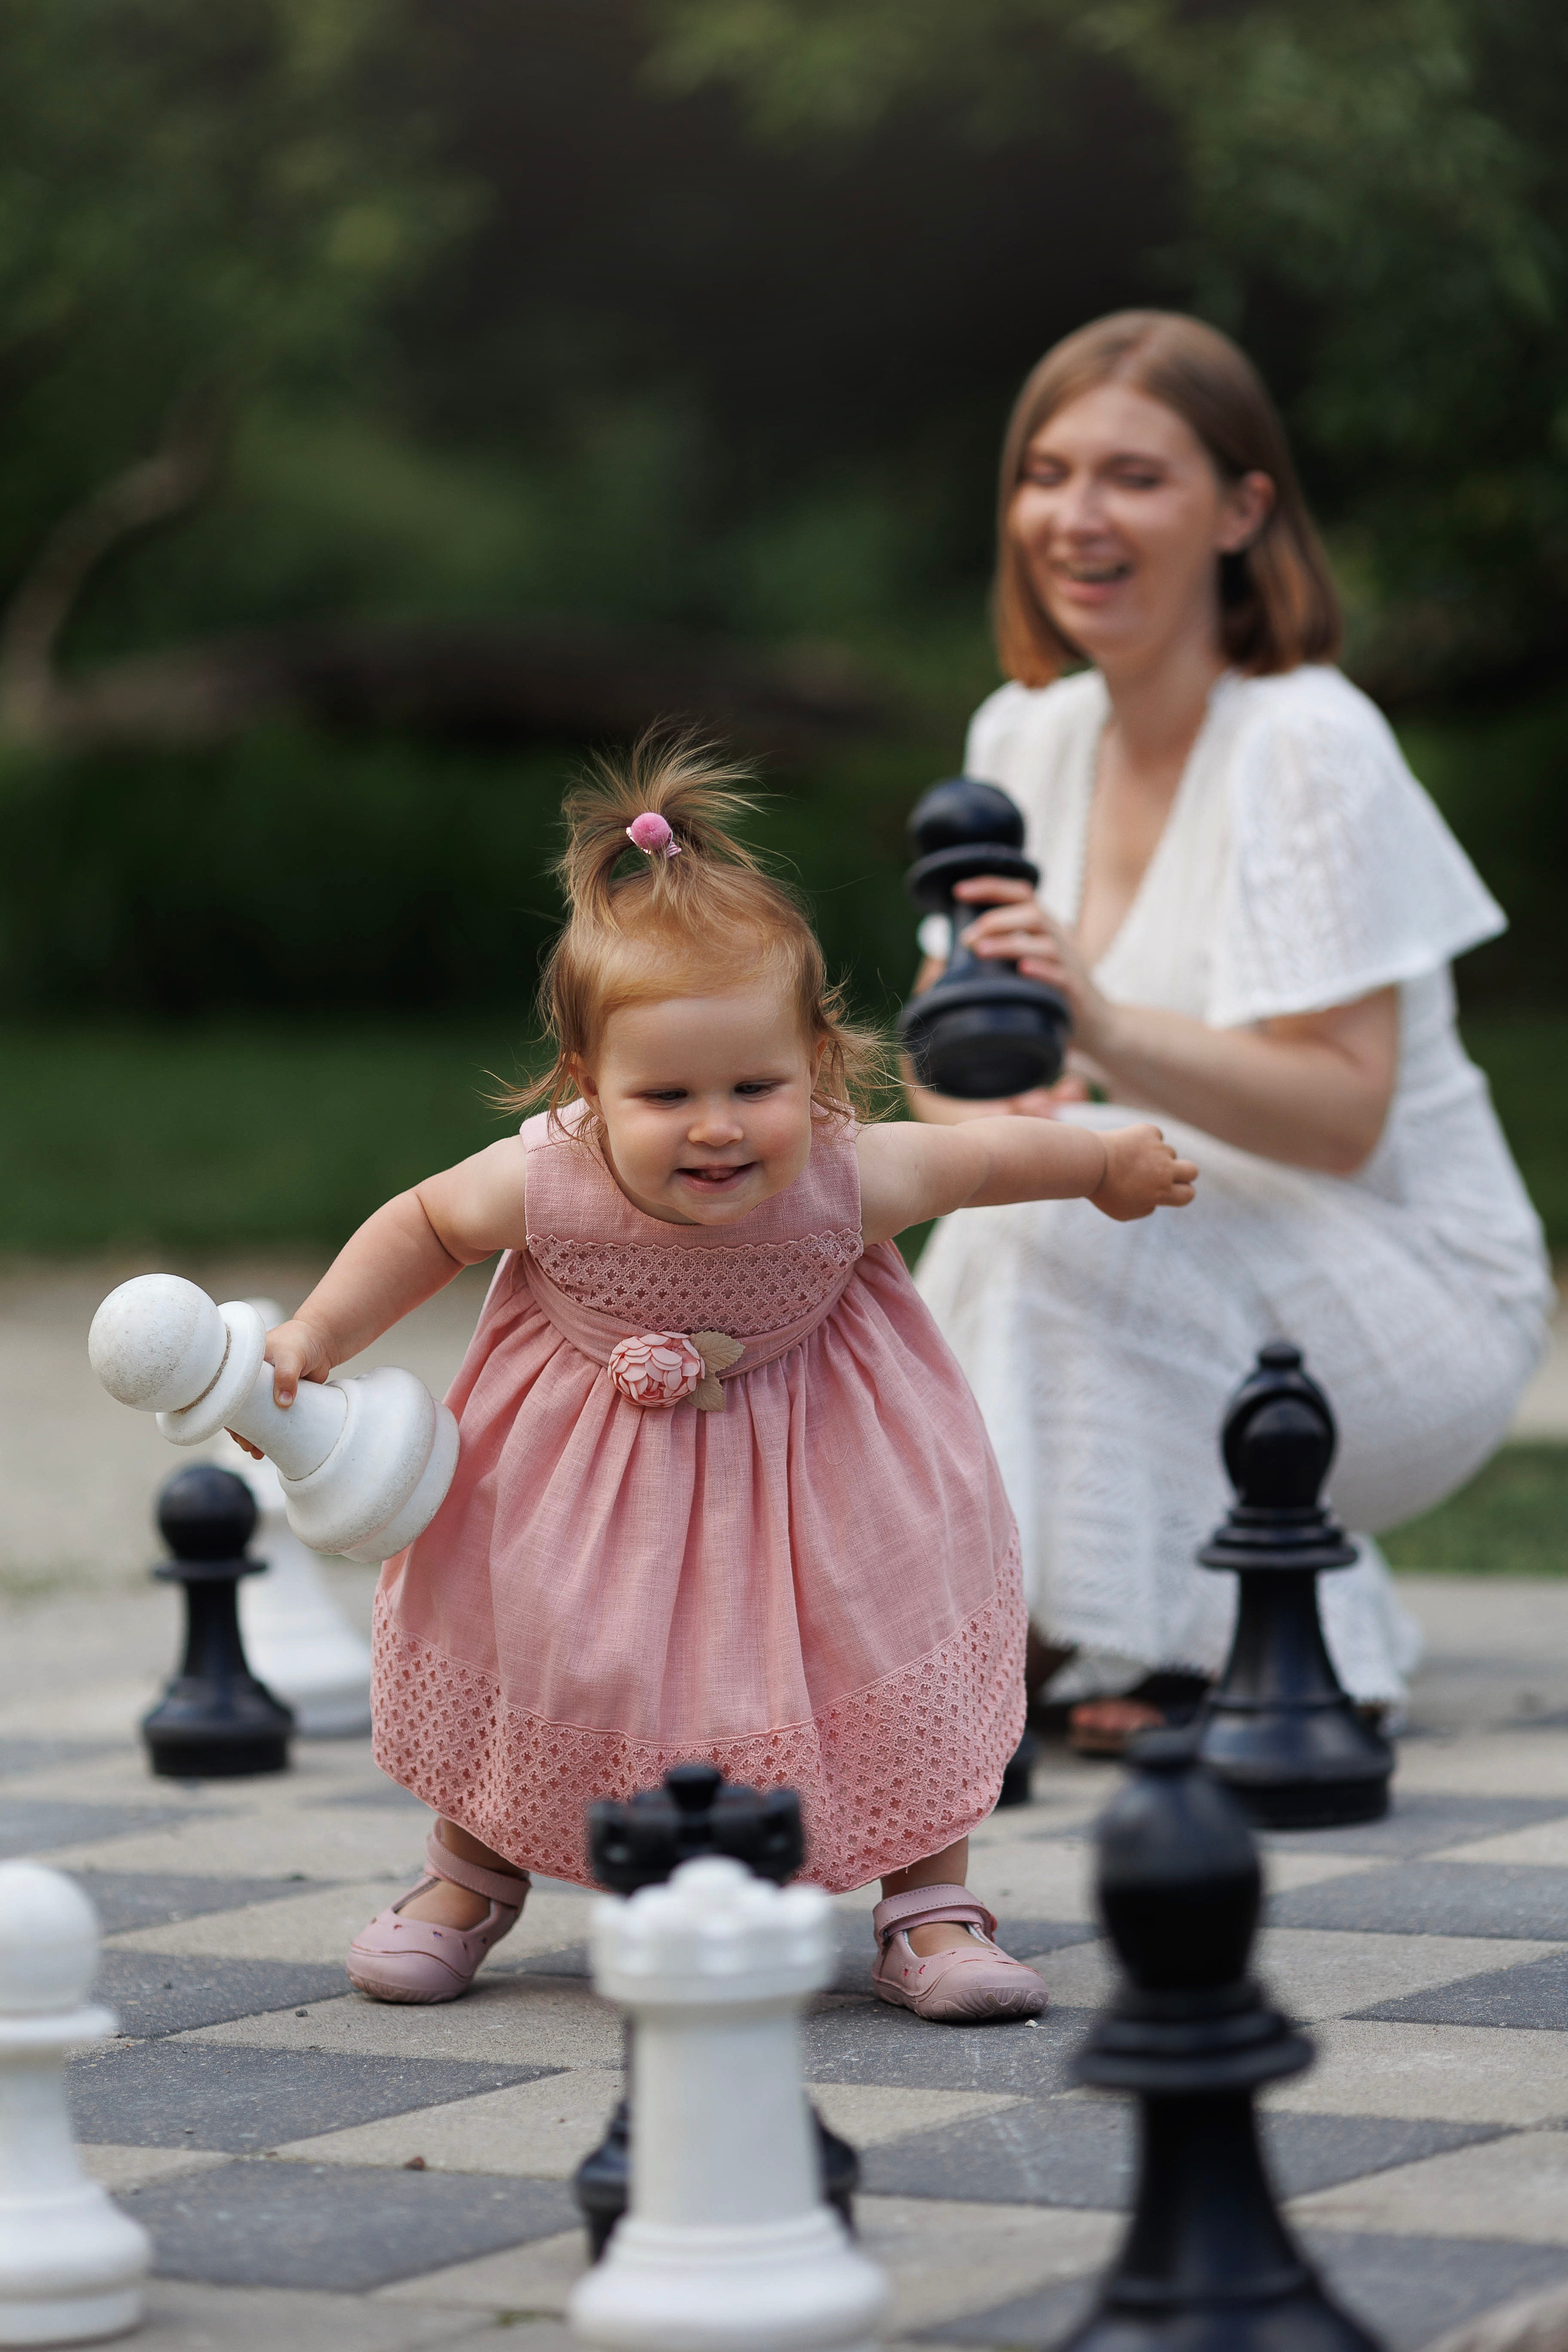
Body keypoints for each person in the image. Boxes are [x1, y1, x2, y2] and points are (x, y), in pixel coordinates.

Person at [247, 741, 1195, 2020]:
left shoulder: (845, 1173)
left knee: (886, 1622)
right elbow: (423, 1226)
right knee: (537, 1640)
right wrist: (315, 1336)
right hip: (575, 1477)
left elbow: (977, 1163)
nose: (715, 1125)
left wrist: (1101, 1165)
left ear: (813, 1060)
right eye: (666, 1094)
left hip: (831, 1463)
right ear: (588, 1087)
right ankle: (468, 1875)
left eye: (755, 1085)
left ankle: (927, 1905)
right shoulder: (546, 1177)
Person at [908, 310, 1553, 1754]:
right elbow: (950, 1066)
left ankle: (996, 1643)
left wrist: (1096, 1027)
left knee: (1034, 1213)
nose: (1076, 516)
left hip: (1411, 1297)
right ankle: (1037, 1629)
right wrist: (988, 1131)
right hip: (1165, 1243)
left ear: (1241, 508)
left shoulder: (1306, 741)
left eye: (1133, 476)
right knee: (992, 1213)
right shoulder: (1018, 738)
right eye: (1046, 472)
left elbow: (1341, 1113)